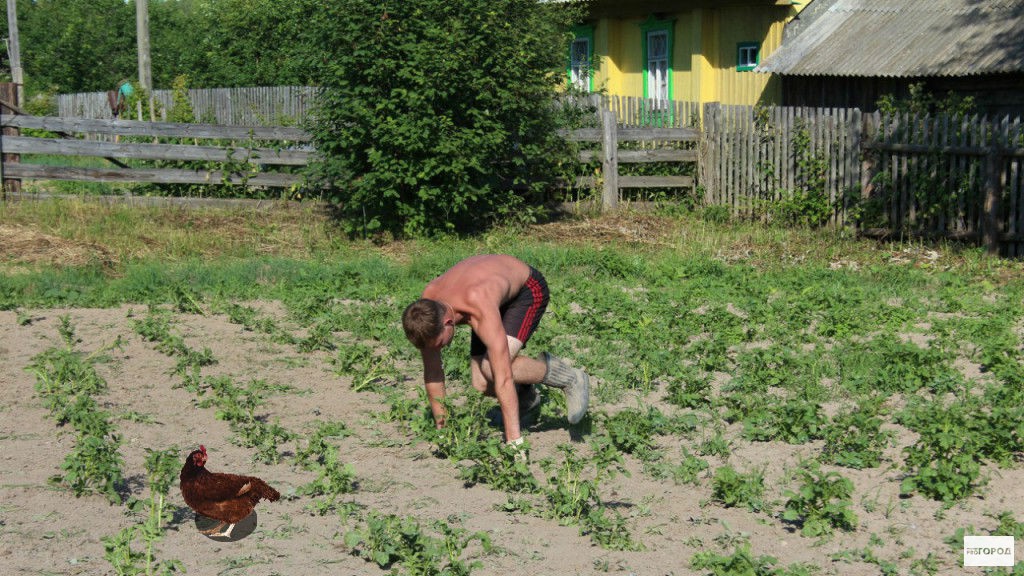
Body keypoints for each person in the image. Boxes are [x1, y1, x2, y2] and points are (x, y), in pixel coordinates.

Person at [402, 254, 590, 446]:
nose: (439, 349)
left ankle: (570, 378)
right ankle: (527, 397)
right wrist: (443, 431)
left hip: (526, 290)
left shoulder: (477, 305)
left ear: (449, 322)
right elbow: (433, 373)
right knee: (481, 383)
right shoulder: (427, 311)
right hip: (490, 296)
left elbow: (504, 377)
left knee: (492, 367)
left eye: (440, 344)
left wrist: (514, 442)